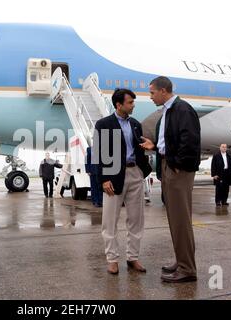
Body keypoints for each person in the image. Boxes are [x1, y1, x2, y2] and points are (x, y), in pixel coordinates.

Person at [141, 76, 201, 283]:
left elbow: (190, 142)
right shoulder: (167, 111)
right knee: (176, 221)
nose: (150, 97)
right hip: (168, 167)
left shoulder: (183, 110)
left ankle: (187, 269)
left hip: (178, 171)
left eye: (152, 92)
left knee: (181, 221)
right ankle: (182, 260)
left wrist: (176, 165)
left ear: (163, 91)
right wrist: (155, 146)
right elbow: (170, 142)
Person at [93, 88, 152, 275]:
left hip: (135, 173)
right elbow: (98, 154)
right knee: (110, 221)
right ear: (119, 105)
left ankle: (133, 257)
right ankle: (112, 259)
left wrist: (143, 166)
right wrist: (103, 179)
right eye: (130, 103)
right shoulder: (103, 124)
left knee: (136, 219)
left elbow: (138, 148)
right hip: (112, 175)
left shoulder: (135, 124)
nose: (133, 105)